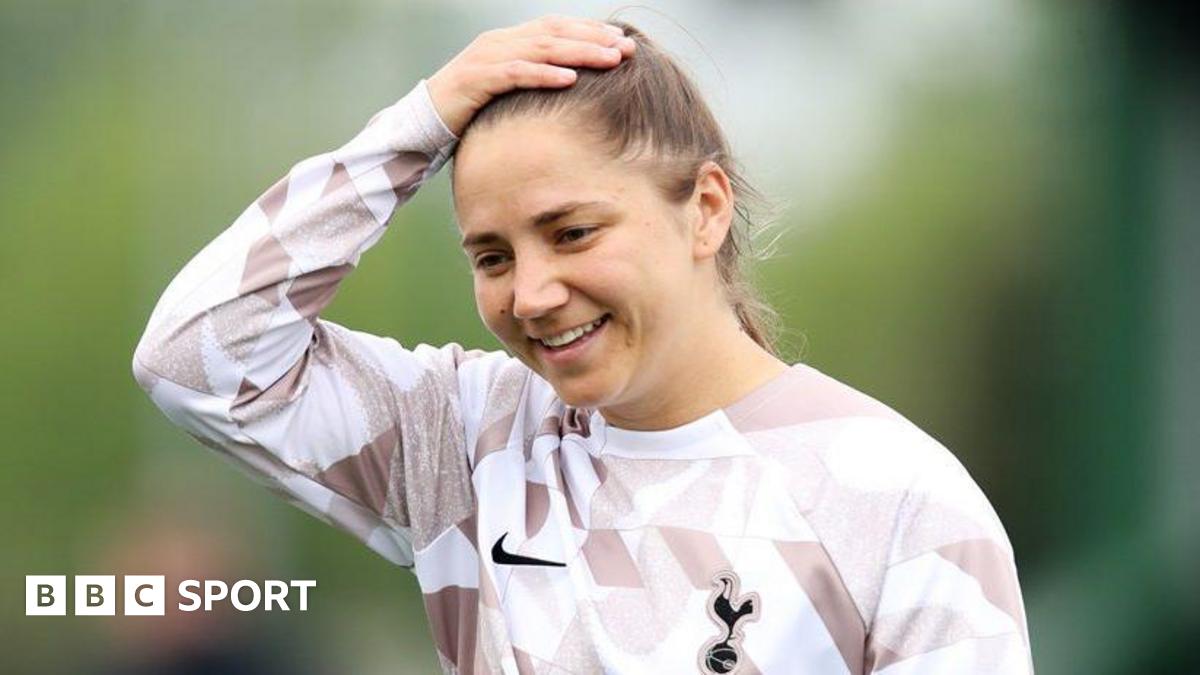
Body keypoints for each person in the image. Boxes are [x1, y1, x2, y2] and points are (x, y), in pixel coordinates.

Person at [132, 14, 1033, 674]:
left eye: (571, 233)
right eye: (492, 254)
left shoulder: (899, 497)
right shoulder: (464, 440)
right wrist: (419, 124)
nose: (531, 294)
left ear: (706, 210)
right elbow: (197, 354)